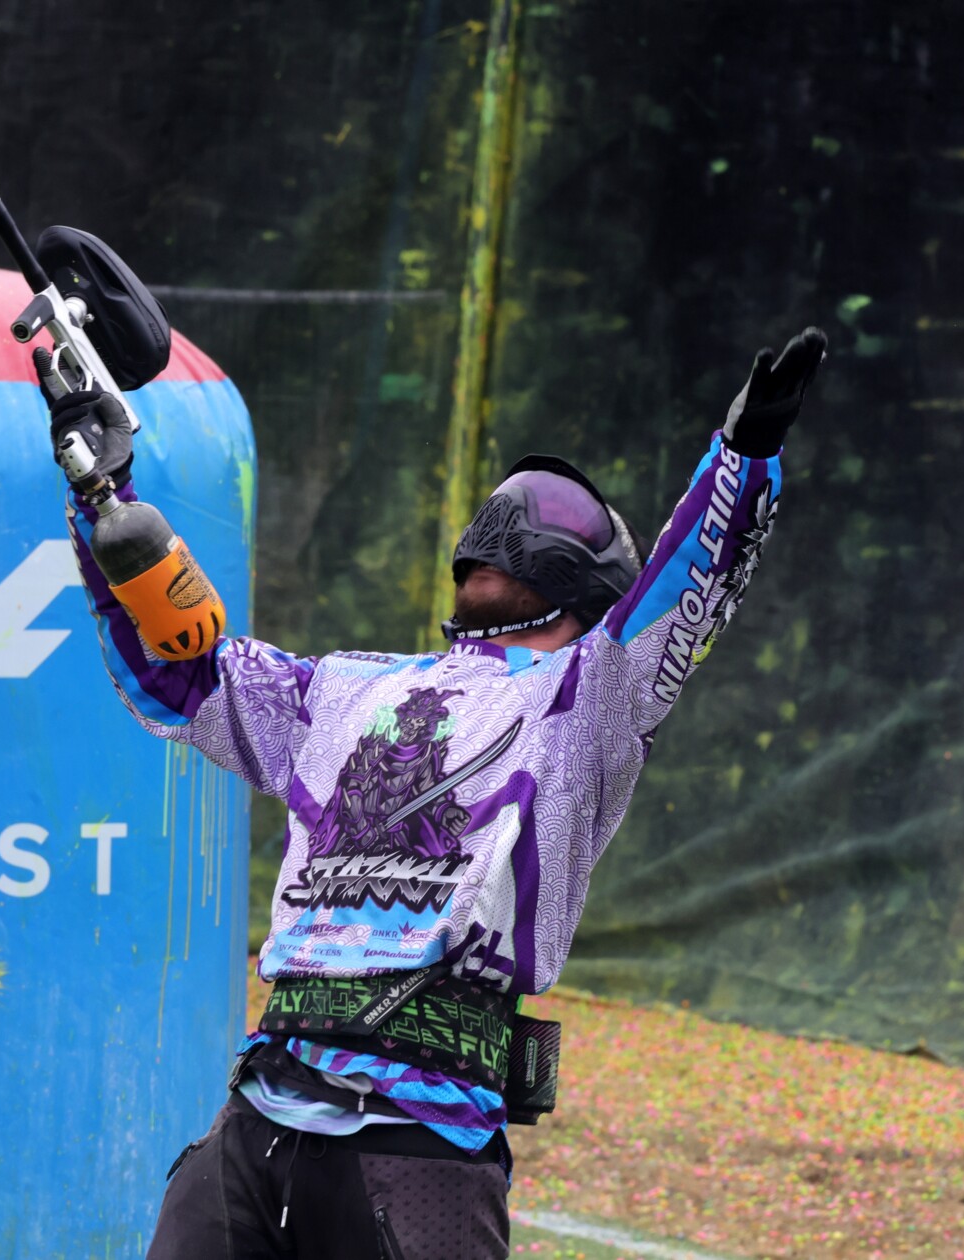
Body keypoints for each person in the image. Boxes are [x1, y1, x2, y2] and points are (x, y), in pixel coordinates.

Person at [44, 327, 827, 1260]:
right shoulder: (342, 688)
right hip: (256, 1123)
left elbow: (687, 589)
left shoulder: (588, 698)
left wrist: (743, 454)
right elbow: (186, 671)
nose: (505, 527)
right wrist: (101, 493)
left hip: (422, 1141)